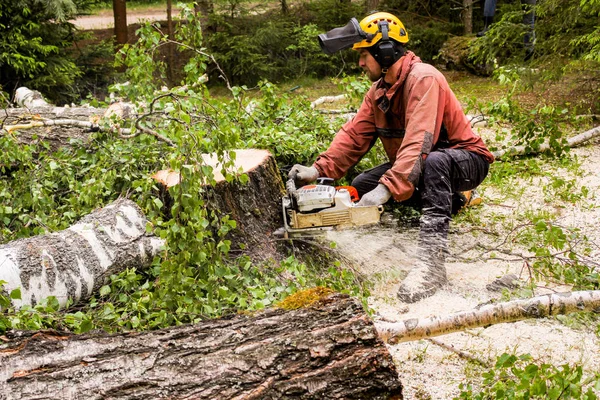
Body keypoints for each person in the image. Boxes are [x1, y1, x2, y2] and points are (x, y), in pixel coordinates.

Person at [288, 11, 495, 303]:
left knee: (432, 164)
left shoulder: (424, 79)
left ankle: (431, 265)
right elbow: (353, 137)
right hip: (422, 162)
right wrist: (317, 169)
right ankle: (451, 201)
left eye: (364, 55)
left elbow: (419, 142)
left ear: (385, 51)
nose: (360, 63)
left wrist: (387, 188)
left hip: (464, 160)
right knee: (362, 183)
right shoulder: (379, 92)